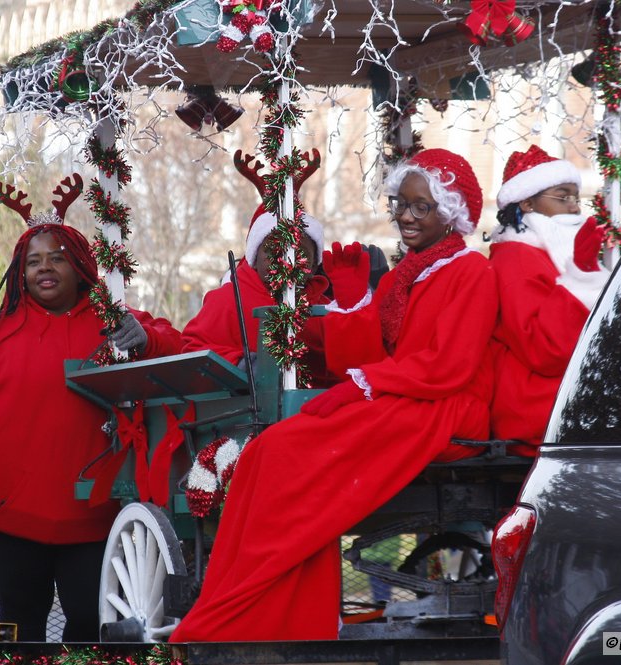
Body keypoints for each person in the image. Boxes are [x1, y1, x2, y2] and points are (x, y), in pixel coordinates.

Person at [169, 148, 497, 642]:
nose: (405, 216)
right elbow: (366, 344)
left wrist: (365, 385)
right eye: (399, 205)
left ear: (449, 213)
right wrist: (333, 312)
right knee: (269, 451)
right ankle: (252, 599)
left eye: (420, 207)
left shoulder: (470, 271)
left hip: (442, 408)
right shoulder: (408, 273)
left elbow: (450, 366)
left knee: (290, 454)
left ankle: (252, 608)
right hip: (407, 397)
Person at [0, 175, 183, 642]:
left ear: (80, 266)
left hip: (93, 512)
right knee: (23, 616)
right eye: (34, 261)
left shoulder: (114, 324)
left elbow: (175, 346)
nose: (45, 269)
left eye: (57, 259)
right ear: (19, 273)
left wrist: (148, 339)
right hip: (3, 507)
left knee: (91, 618)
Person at [488, 145, 609, 454]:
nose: (574, 208)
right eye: (562, 196)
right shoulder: (516, 258)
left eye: (576, 198)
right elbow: (544, 350)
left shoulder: (543, 255)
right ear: (527, 203)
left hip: (562, 406)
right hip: (538, 412)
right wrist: (579, 277)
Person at [181, 205, 345, 385]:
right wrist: (243, 365)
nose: (286, 260)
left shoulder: (326, 309)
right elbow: (193, 351)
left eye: (299, 253)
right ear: (255, 259)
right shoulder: (228, 299)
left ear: (313, 266)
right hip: (245, 407)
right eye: (273, 250)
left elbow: (347, 366)